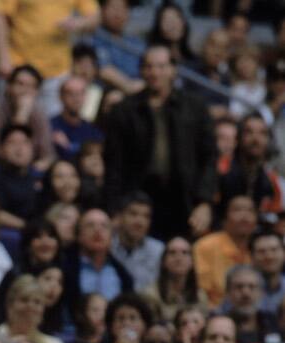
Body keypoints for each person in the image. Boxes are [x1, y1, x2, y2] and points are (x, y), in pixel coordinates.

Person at [103, 45, 217, 241]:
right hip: (137, 197)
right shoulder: (124, 110)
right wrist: (114, 210)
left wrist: (205, 202)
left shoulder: (195, 107)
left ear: (173, 70)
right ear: (141, 71)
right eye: (148, 66)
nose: (155, 72)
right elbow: (114, 165)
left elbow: (209, 157)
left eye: (161, 66)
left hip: (183, 198)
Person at [193, 195, 257, 309]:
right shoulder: (206, 246)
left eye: (250, 210)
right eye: (237, 210)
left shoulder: (257, 250)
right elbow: (199, 293)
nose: (245, 216)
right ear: (225, 218)